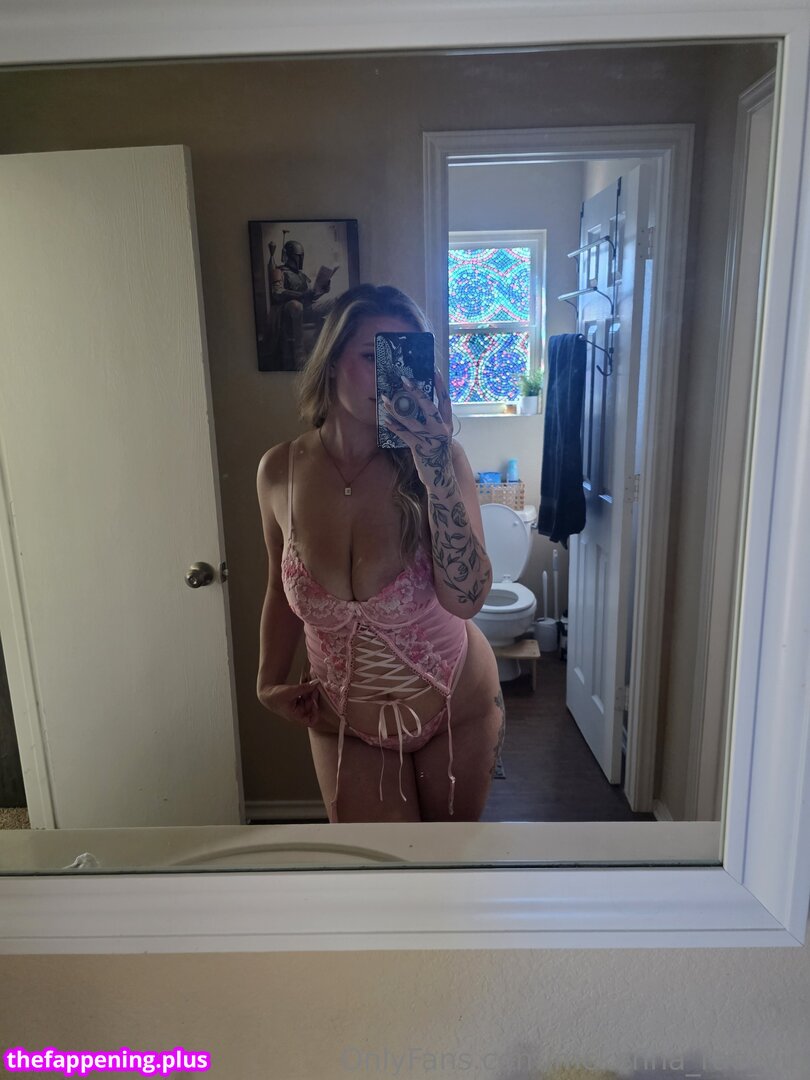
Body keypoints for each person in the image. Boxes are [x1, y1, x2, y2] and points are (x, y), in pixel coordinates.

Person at [256, 284, 506, 822]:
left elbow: (466, 601)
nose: (390, 376)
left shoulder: (440, 460)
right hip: (343, 721)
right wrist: (267, 681)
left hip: (458, 706)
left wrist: (434, 464)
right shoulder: (280, 471)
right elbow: (279, 586)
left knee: (449, 864)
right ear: (330, 363)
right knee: (378, 867)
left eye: (404, 358)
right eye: (372, 357)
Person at [267, 239, 334, 370]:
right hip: (289, 310)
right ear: (290, 256)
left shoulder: (302, 276)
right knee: (296, 305)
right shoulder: (279, 271)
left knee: (333, 302)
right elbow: (277, 292)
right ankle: (299, 356)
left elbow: (311, 296)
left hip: (306, 307)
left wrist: (323, 290)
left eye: (301, 256)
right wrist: (301, 295)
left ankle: (326, 350)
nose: (300, 259)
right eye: (298, 256)